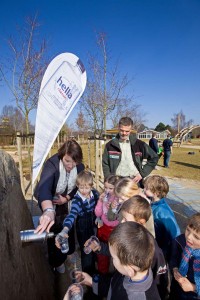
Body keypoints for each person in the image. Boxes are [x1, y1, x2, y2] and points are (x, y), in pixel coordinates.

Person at [34, 140, 84, 273]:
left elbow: (78, 186)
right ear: (62, 156)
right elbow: (44, 188)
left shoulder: (79, 167)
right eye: (67, 161)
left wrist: (67, 198)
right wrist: (49, 210)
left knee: (69, 225)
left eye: (74, 162)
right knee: (54, 228)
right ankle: (57, 261)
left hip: (66, 201)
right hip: (52, 201)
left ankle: (69, 252)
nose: (71, 165)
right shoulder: (52, 164)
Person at [81, 222, 160, 299]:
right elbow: (114, 286)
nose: (112, 260)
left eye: (114, 258)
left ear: (129, 269)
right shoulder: (134, 267)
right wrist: (92, 282)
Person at [120, 196, 169, 299]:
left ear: (140, 222)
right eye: (122, 218)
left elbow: (160, 275)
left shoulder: (153, 249)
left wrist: (161, 295)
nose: (121, 222)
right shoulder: (129, 235)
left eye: (125, 219)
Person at [55, 170, 99, 275]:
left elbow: (99, 208)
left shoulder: (95, 195)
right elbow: (72, 214)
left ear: (91, 186)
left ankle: (95, 263)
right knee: (86, 251)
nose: (84, 190)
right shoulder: (77, 200)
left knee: (95, 244)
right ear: (77, 186)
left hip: (94, 225)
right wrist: (65, 228)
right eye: (81, 187)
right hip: (82, 227)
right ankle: (88, 273)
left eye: (87, 187)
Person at [102, 116, 159, 186]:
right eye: (122, 130)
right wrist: (108, 179)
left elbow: (154, 157)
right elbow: (105, 164)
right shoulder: (110, 145)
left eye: (127, 131)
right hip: (116, 182)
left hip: (134, 181)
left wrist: (142, 174)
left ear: (131, 130)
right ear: (118, 128)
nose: (124, 133)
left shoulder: (139, 144)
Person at [143, 175, 180, 259]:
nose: (144, 189)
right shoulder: (153, 202)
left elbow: (171, 233)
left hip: (163, 247)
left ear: (156, 193)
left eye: (146, 188)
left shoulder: (163, 211)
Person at [169, 213, 200, 300]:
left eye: (196, 237)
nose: (189, 237)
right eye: (188, 230)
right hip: (176, 288)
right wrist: (175, 270)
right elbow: (173, 257)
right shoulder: (180, 241)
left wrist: (193, 288)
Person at [94, 175, 120, 274]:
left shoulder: (119, 199)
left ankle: (116, 275)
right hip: (103, 228)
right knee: (102, 254)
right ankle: (102, 274)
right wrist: (100, 201)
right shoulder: (104, 196)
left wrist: (113, 209)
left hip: (115, 231)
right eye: (105, 187)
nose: (107, 190)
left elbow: (117, 218)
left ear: (117, 187)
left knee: (115, 254)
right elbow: (97, 213)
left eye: (110, 188)